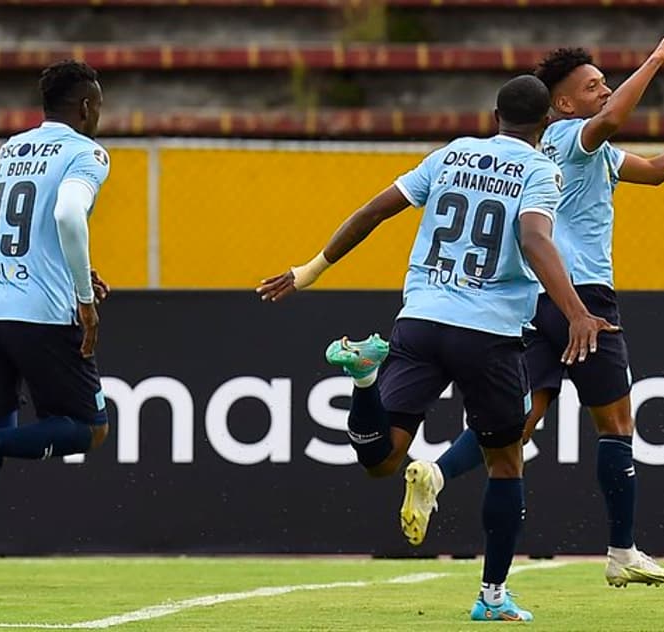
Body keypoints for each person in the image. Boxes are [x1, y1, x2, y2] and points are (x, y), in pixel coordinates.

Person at [257, 75, 617, 622]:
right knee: (506, 457)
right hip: (490, 333)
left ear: (494, 115)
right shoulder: (543, 170)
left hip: (420, 320)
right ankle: (492, 596)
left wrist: (310, 270)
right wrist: (576, 312)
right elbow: (535, 238)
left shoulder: (451, 155)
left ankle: (361, 382)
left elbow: (375, 210)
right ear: (547, 123)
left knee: (380, 460)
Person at [400, 34, 664, 588]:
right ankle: (622, 550)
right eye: (593, 86)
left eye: (606, 82)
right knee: (617, 424)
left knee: (520, 421)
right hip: (585, 299)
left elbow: (650, 171)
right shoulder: (568, 137)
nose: (604, 90)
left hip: (538, 298)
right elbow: (607, 125)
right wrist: (654, 60)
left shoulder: (576, 148)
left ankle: (436, 472)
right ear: (561, 105)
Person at [0, 60, 113, 591]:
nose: (100, 115)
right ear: (85, 106)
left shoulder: (7, 150)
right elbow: (65, 215)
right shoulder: (87, 153)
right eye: (98, 105)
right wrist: (83, 298)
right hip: (38, 314)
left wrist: (64, 264)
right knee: (88, 427)